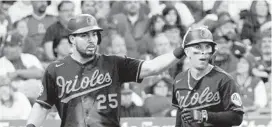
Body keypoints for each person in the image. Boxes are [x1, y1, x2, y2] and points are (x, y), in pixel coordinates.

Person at [26, 14, 185, 127]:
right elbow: (42, 106)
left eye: (94, 34)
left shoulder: (113, 63)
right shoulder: (55, 69)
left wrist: (182, 49)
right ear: (72, 39)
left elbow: (153, 67)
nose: (91, 39)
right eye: (85, 35)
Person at [172, 26, 244, 127]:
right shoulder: (179, 79)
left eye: (207, 47)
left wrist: (204, 115)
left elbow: (237, 117)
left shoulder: (224, 80)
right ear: (187, 52)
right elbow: (180, 115)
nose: (203, 52)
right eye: (197, 47)